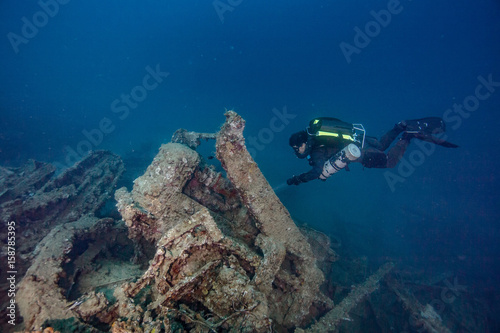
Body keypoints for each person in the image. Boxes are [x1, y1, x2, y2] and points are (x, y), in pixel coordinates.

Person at [286, 117, 458, 185]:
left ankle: (407, 136)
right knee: (381, 145)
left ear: (303, 142)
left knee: (390, 162)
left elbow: (317, 172)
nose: (296, 151)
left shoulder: (317, 149)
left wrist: (298, 179)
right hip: (361, 139)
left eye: (296, 147)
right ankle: (399, 127)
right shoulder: (320, 137)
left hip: (362, 154)